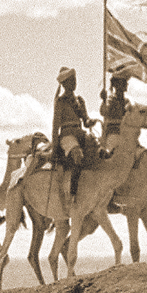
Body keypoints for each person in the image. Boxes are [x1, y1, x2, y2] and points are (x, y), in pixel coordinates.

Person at [52, 67, 99, 197]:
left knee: (99, 151)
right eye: (71, 80)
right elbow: (55, 127)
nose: (74, 83)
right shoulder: (60, 102)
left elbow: (86, 121)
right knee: (78, 156)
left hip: (80, 133)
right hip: (67, 136)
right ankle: (73, 195)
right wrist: (55, 147)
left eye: (74, 80)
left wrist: (90, 121)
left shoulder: (80, 101)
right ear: (64, 84)